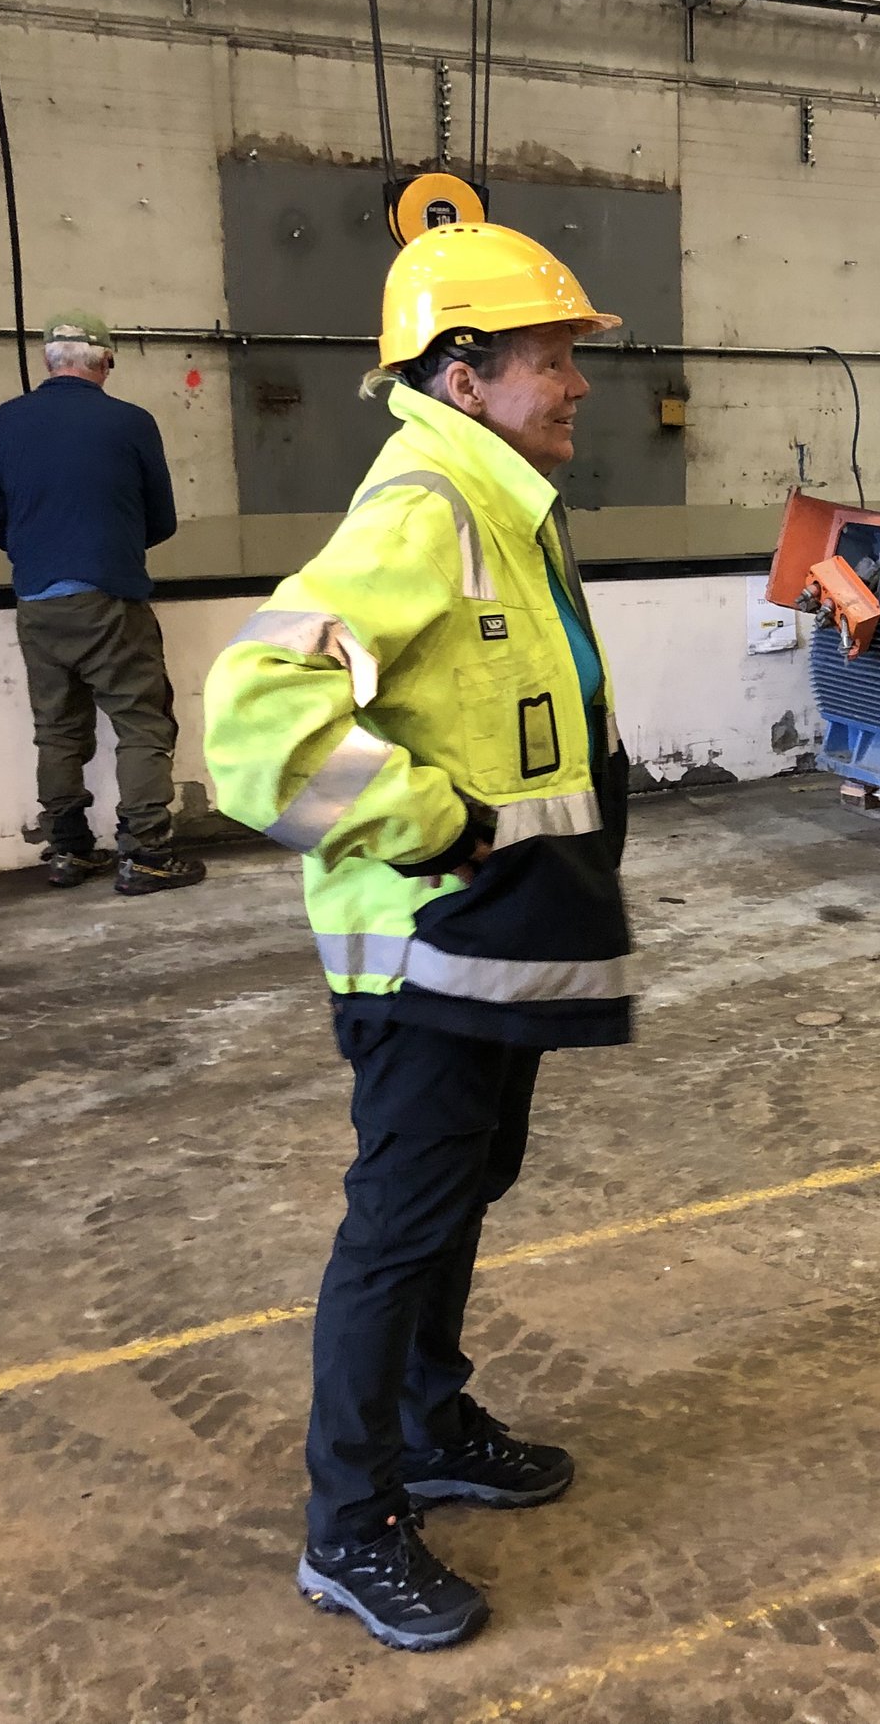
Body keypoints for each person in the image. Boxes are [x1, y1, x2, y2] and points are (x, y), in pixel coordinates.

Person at [203, 223, 636, 1652]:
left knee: (464, 1187)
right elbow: (258, 724)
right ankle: (353, 1519)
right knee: (401, 1224)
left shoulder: (498, 500)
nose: (579, 381)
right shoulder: (424, 506)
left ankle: (427, 1419)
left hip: (502, 933)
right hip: (429, 946)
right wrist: (430, 823)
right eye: (553, 357)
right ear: (465, 374)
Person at [0, 312, 204, 894]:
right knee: (142, 724)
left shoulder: (6, 421)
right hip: (111, 598)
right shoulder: (130, 422)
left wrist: (43, 553)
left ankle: (70, 852)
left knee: (57, 730)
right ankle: (148, 853)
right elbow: (164, 520)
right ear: (106, 361)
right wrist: (109, 548)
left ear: (49, 362)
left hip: (37, 604)